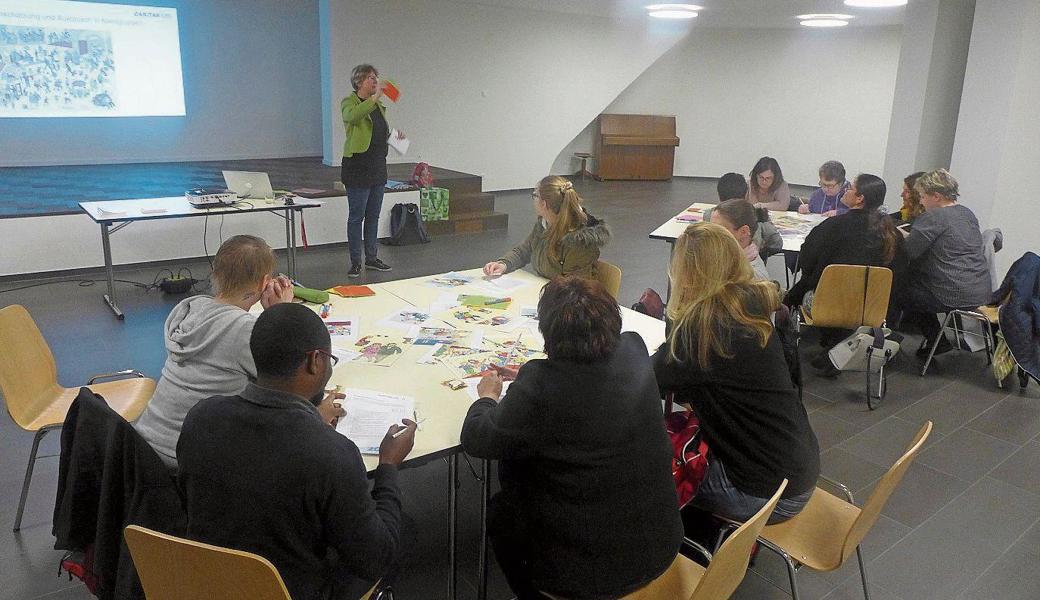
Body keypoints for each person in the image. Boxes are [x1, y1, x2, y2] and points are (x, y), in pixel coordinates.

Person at [461, 276, 682, 600]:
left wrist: (487, 397)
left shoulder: (541, 385)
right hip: (663, 547)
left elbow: (477, 438)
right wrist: (530, 374)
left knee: (501, 513)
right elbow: (589, 387)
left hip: (590, 577)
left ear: (548, 334)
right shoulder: (633, 348)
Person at [178, 303, 417, 600]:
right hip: (291, 591)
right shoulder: (332, 453)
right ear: (315, 361)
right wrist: (388, 466)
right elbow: (374, 559)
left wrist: (309, 417)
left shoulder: (201, 418)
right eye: (330, 359)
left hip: (207, 583)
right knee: (403, 529)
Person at [653, 223, 819, 524]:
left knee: (645, 466)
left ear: (686, 274)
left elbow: (648, 380)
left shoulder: (702, 332)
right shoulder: (750, 306)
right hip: (797, 471)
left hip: (763, 494)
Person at [135, 235, 294, 468]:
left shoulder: (190, 310)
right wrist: (282, 314)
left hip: (144, 449)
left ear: (215, 273)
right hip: (189, 460)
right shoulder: (245, 331)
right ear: (264, 283)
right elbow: (287, 377)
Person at [895, 169, 991, 356]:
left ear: (937, 196)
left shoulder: (933, 217)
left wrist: (900, 235)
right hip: (980, 290)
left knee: (899, 288)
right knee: (915, 286)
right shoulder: (966, 213)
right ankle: (936, 340)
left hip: (952, 293)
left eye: (922, 196)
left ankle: (933, 340)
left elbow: (910, 252)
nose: (921, 201)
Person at [784, 173, 905, 310]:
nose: (845, 191)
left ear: (860, 198)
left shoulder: (832, 226)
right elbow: (898, 274)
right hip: (873, 308)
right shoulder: (892, 234)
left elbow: (806, 262)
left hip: (826, 303)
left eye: (850, 189)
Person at [341, 63, 403, 278]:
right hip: (357, 167)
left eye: (376, 78)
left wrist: (395, 137)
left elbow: (376, 132)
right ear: (359, 81)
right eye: (371, 78)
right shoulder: (349, 102)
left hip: (377, 166)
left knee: (373, 216)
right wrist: (375, 98)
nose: (376, 81)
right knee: (356, 217)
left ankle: (372, 258)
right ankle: (355, 262)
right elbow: (353, 117)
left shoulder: (378, 106)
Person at [483, 176, 610, 280]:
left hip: (568, 303)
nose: (533, 199)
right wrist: (504, 264)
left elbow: (574, 289)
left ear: (544, 204)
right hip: (549, 294)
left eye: (535, 196)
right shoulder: (544, 224)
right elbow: (525, 250)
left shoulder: (579, 241)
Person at [706, 172, 783, 255]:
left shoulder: (709, 215)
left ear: (719, 195)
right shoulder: (756, 217)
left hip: (715, 261)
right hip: (749, 262)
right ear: (746, 195)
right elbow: (777, 243)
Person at [710, 199, 771, 281]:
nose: (710, 235)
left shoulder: (753, 278)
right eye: (711, 228)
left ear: (744, 232)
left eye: (719, 230)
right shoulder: (723, 256)